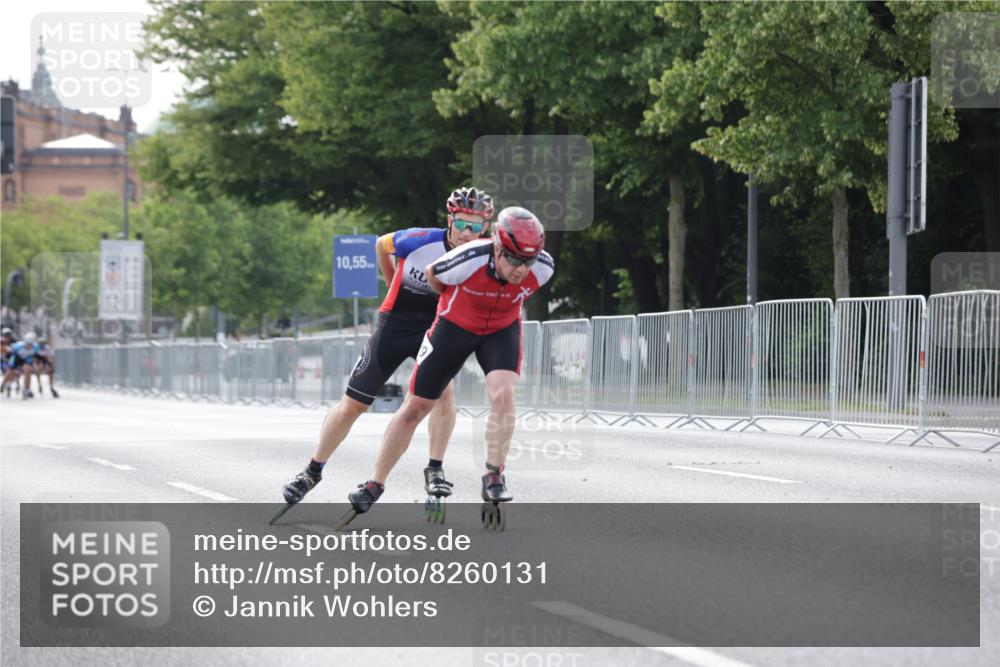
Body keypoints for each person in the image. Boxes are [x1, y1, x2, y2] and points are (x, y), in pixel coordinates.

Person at [271, 187, 496, 521]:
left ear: (485, 229)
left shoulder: (480, 255)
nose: (467, 233)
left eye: (476, 227)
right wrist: (393, 280)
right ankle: (312, 470)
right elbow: (381, 244)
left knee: (445, 394)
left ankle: (434, 467)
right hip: (394, 324)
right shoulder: (419, 240)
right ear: (450, 219)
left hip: (434, 329)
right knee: (353, 405)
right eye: (462, 223)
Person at [339, 206, 554, 528]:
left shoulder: (544, 268)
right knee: (416, 407)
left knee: (504, 394)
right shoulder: (467, 258)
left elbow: (524, 282)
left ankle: (493, 476)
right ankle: (375, 483)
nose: (521, 270)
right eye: (513, 259)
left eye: (528, 261)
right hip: (453, 328)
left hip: (500, 331)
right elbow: (433, 277)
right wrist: (458, 303)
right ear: (497, 247)